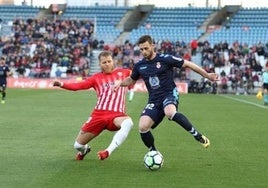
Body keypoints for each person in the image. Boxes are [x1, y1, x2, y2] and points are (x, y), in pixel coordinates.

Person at [114, 35, 219, 153]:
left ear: (152, 46)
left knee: (170, 112)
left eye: (146, 48)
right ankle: (153, 152)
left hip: (169, 93)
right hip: (154, 100)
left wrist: (207, 75)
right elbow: (131, 80)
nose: (144, 51)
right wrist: (120, 83)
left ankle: (197, 135)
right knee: (142, 127)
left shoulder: (165, 59)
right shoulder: (139, 65)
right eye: (141, 49)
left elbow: (188, 64)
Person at [53, 51, 134, 160]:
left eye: (109, 61)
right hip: (98, 115)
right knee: (78, 145)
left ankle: (107, 152)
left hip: (116, 115)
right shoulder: (96, 78)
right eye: (104, 62)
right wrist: (62, 84)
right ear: (100, 64)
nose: (107, 64)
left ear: (113, 61)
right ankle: (85, 150)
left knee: (128, 122)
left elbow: (139, 74)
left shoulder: (124, 72)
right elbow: (79, 86)